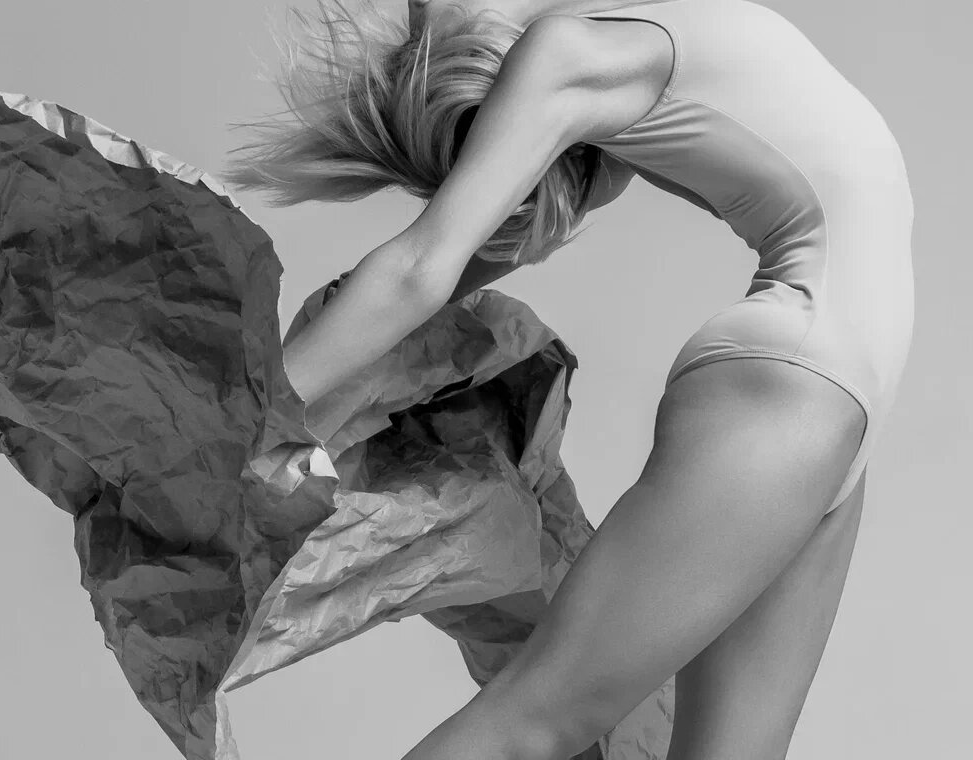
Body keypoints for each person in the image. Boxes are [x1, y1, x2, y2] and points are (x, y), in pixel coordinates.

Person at [221, 1, 915, 759]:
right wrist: (229, 429)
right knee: (534, 721)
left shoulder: (615, 44)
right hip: (796, 382)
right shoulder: (568, 53)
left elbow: (466, 263)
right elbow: (423, 269)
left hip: (842, 413)